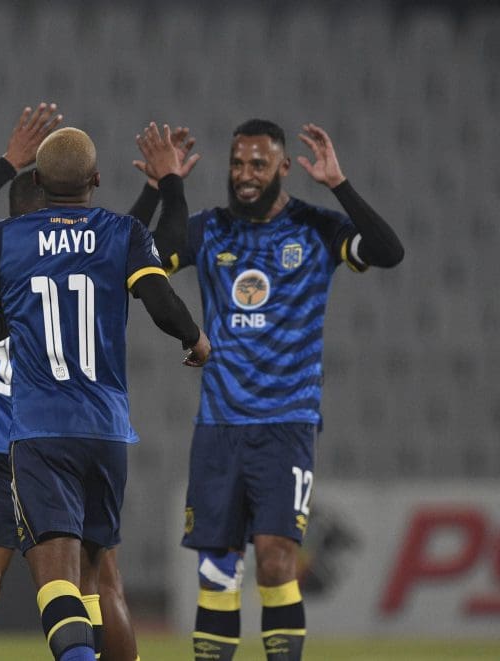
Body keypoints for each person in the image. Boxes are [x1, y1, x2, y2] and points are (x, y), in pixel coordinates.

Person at [0, 106, 199, 661]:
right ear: (92, 185)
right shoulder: (111, 241)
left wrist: (6, 160)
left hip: (2, 442)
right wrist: (162, 186)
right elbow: (161, 245)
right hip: (90, 429)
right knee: (101, 583)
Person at [157, 120, 404, 661]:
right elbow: (157, 256)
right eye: (237, 164)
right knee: (217, 568)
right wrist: (169, 184)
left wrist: (339, 183)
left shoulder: (317, 227)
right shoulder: (210, 228)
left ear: (284, 168)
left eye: (258, 164)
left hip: (286, 423)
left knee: (275, 558)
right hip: (220, 426)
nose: (245, 176)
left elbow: (388, 251)